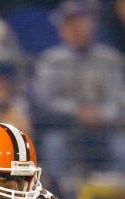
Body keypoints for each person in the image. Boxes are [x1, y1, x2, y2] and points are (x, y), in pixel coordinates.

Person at [34, 0, 125, 181]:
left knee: (122, 147)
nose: (78, 28)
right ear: (62, 30)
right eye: (70, 24)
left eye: (83, 22)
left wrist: (100, 114)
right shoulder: (51, 61)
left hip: (104, 128)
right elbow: (44, 99)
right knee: (54, 145)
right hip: (66, 128)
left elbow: (118, 99)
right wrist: (76, 111)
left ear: (93, 26)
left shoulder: (110, 59)